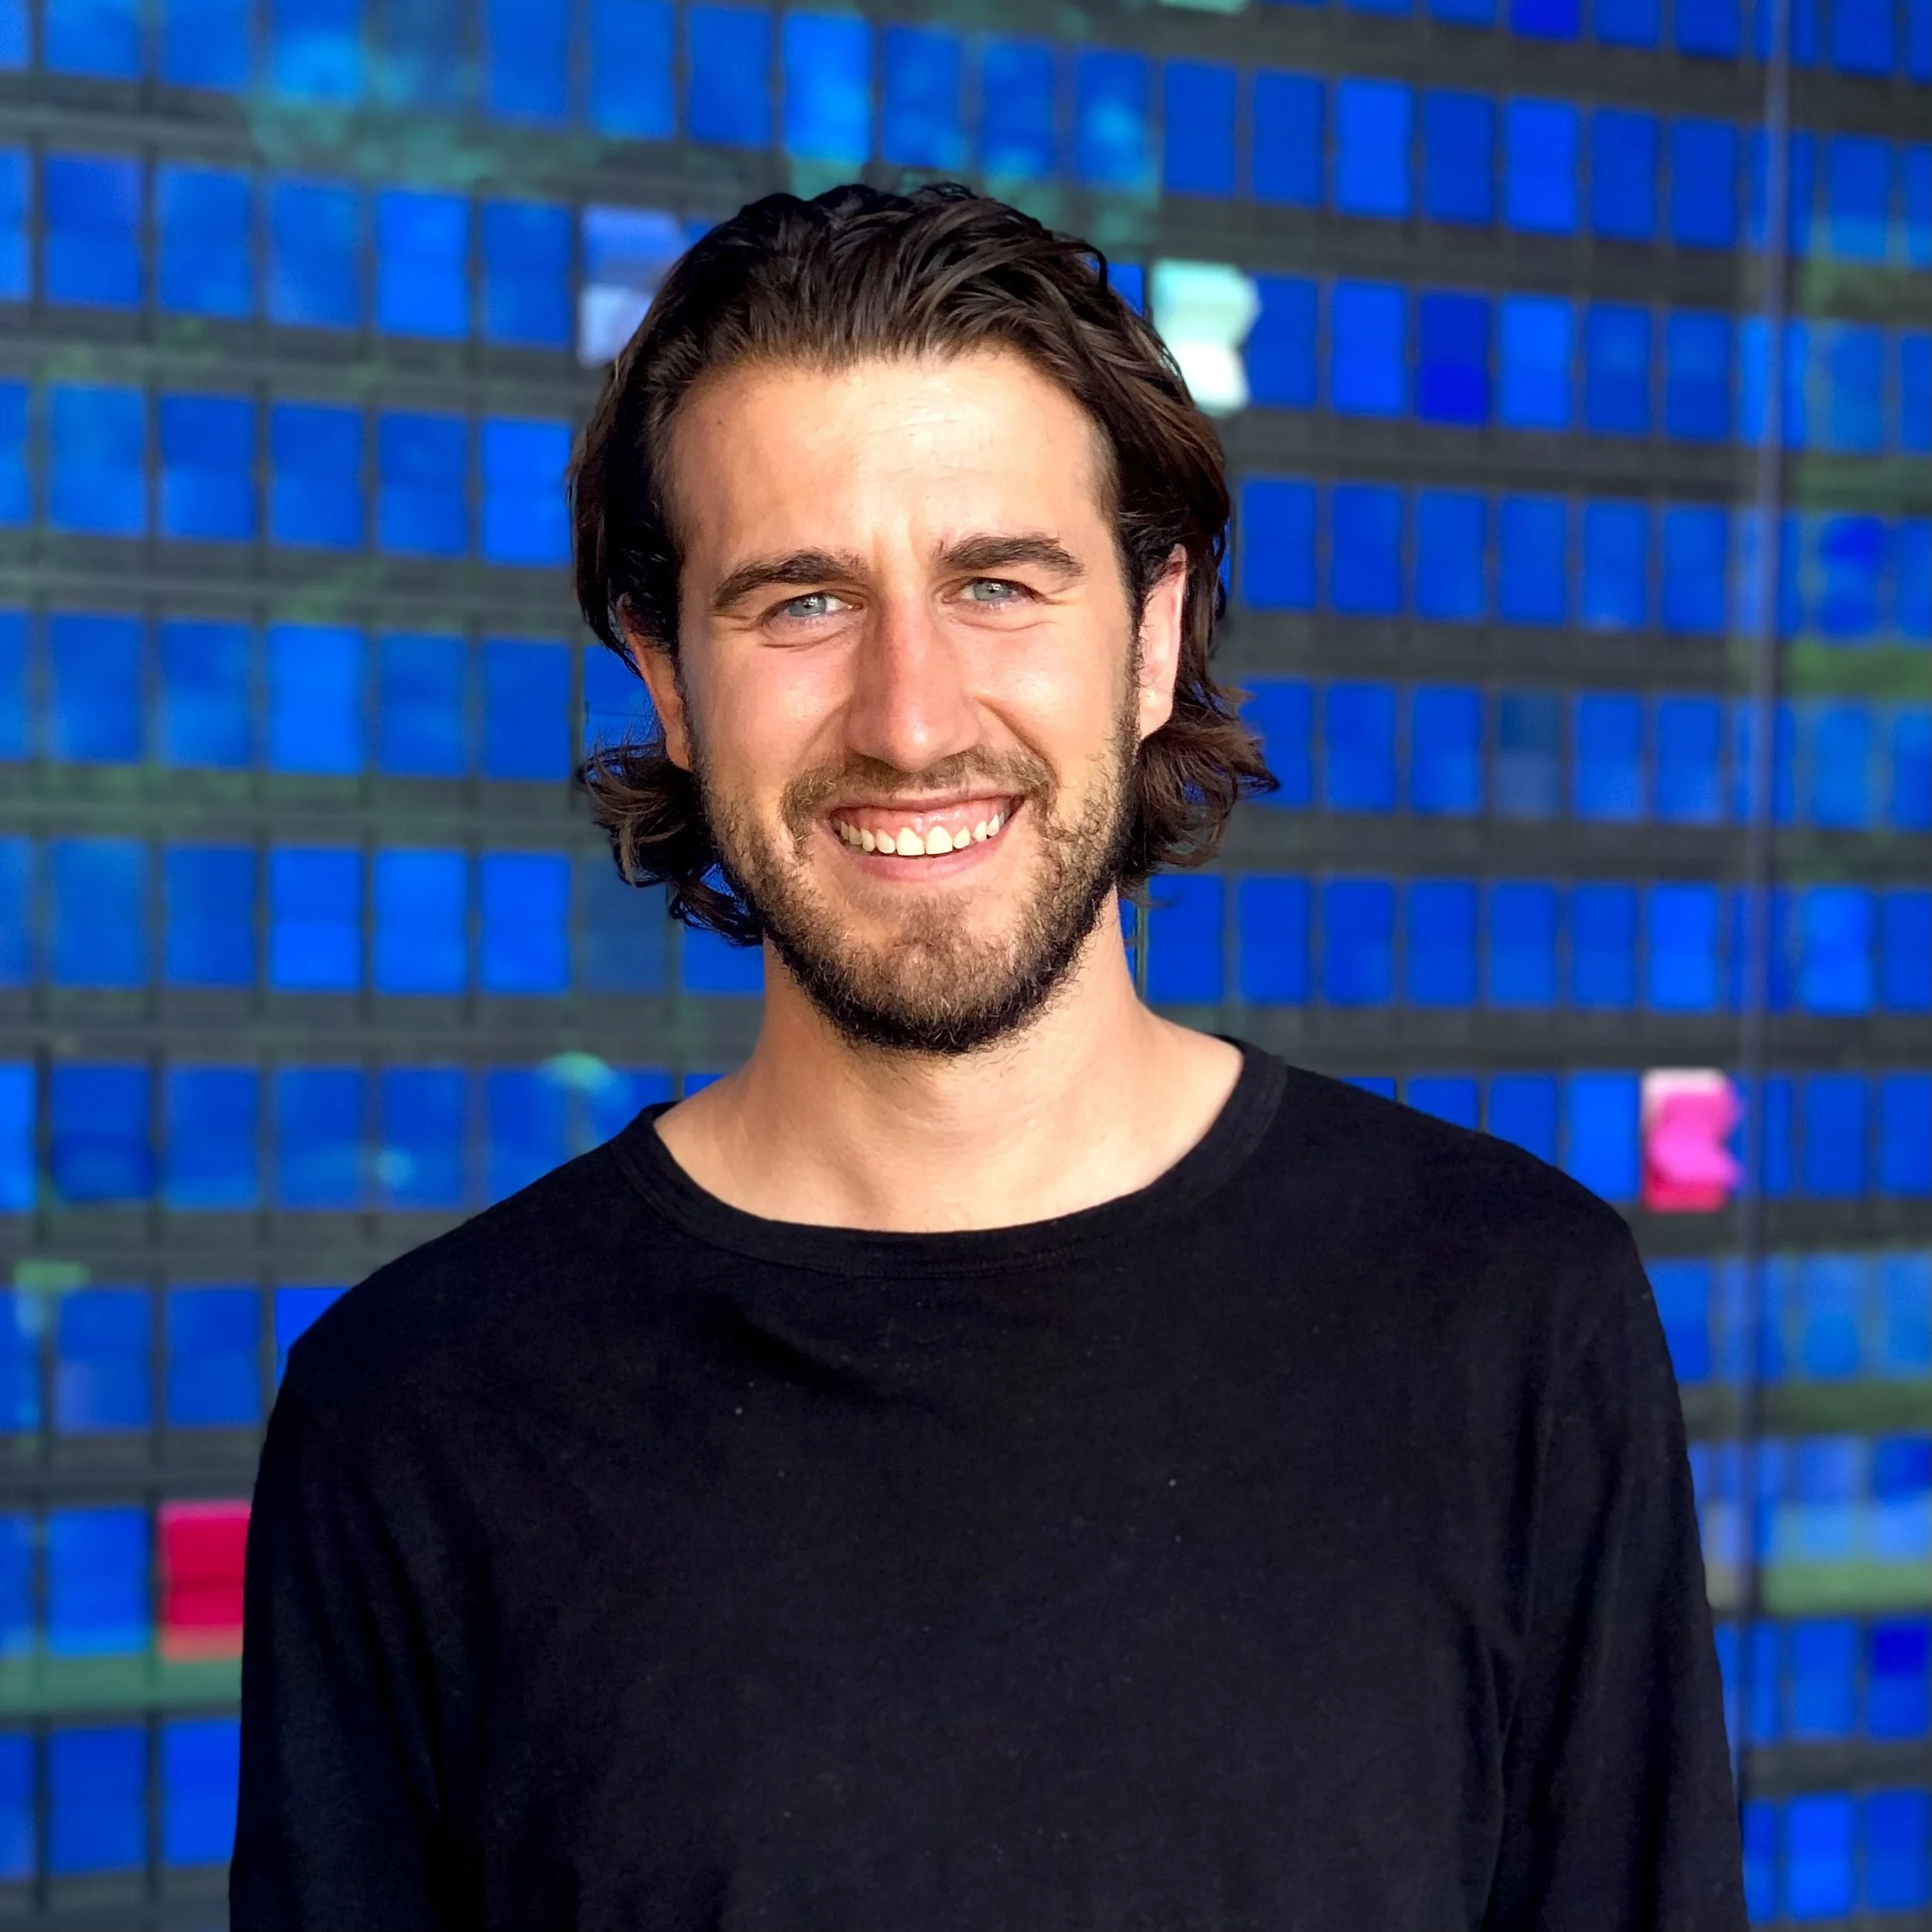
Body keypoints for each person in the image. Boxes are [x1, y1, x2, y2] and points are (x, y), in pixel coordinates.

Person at [231, 183, 1745, 1930]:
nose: (911, 715)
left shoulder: (1508, 1320)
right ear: (665, 676)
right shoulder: (414, 1415)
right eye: (799, 603)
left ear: (1153, 631)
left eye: (997, 581)